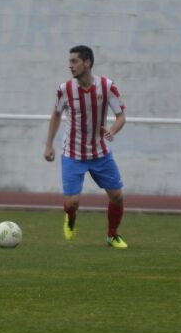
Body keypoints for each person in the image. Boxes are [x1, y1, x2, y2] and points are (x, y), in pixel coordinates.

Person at [43, 45, 128, 249]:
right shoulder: (65, 89)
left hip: (100, 153)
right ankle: (70, 217)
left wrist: (112, 130)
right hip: (73, 153)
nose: (70, 66)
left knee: (117, 197)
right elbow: (56, 114)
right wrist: (49, 145)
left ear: (87, 62)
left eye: (74, 61)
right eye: (70, 61)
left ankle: (112, 236)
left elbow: (121, 116)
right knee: (72, 203)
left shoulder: (107, 86)